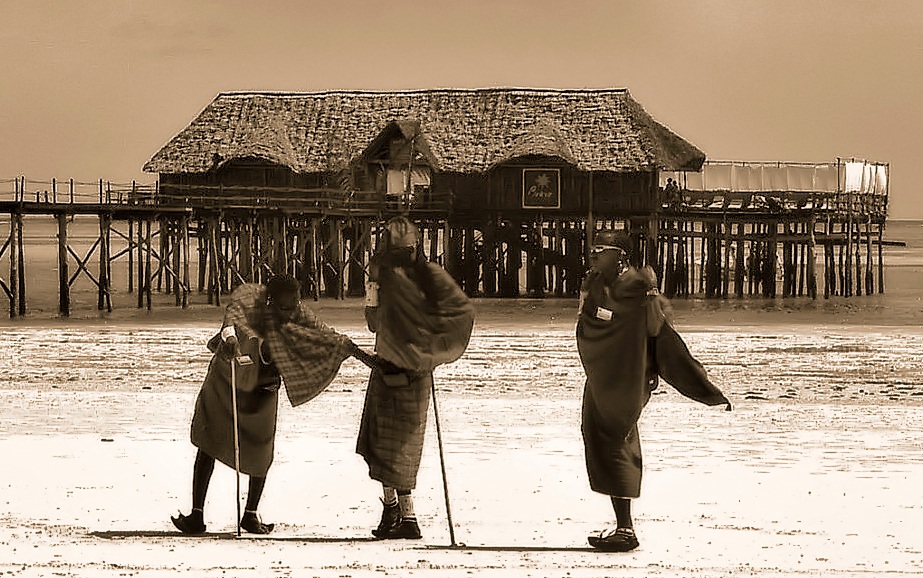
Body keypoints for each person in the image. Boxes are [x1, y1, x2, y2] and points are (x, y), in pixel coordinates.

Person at [172, 274, 373, 535]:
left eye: (295, 306)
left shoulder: (297, 311)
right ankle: (196, 515)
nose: (291, 313)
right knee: (209, 442)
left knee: (262, 450)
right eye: (285, 308)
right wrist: (231, 339)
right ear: (269, 301)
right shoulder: (249, 301)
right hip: (226, 382)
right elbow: (231, 321)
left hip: (264, 388)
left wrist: (364, 357)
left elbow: (328, 336)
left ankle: (250, 515)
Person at [577, 231, 731, 552]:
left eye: (600, 250)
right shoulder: (594, 283)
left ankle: (626, 529)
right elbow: (588, 324)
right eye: (591, 250)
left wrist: (650, 297)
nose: (593, 255)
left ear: (620, 255)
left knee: (618, 440)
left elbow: (656, 329)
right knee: (597, 436)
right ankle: (622, 526)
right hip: (602, 376)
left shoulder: (638, 286)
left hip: (627, 378)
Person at [357, 216, 475, 540]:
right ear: (417, 246)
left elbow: (371, 321)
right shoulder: (431, 274)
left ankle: (394, 510)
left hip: (389, 365)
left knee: (383, 443)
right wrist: (435, 348)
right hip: (419, 369)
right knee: (406, 443)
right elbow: (461, 311)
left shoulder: (377, 272)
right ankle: (405, 516)